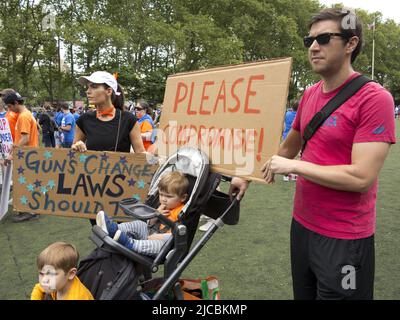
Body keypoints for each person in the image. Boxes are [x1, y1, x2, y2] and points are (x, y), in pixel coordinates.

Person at [254, 8, 397, 300]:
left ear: (350, 44)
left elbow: (361, 177)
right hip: (302, 226)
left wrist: (297, 166)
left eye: (324, 38)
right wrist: (247, 176)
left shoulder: (374, 98)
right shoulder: (309, 94)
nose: (314, 47)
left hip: (344, 238)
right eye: (310, 40)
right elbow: (287, 148)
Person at [73, 71, 146, 225]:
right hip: (93, 190)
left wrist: (154, 159)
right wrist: (77, 146)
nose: (88, 90)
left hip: (122, 189)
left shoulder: (128, 120)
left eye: (93, 86)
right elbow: (73, 152)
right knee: (100, 232)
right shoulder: (84, 120)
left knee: (122, 235)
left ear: (108, 91)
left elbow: (140, 154)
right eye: (87, 87)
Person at [96, 171, 189, 257]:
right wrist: (156, 214)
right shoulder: (162, 206)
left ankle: (130, 243)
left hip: (165, 244)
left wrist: (159, 237)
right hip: (150, 233)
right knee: (139, 224)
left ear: (183, 198)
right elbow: (150, 224)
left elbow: (179, 235)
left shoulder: (182, 212)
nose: (164, 199)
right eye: (161, 195)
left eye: (169, 196)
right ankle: (114, 229)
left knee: (156, 245)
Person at [3, 91, 40, 222]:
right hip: (29, 154)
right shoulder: (26, 114)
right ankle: (31, 209)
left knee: (26, 183)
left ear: (16, 103)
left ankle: (31, 211)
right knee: (27, 183)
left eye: (9, 106)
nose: (9, 109)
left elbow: (25, 138)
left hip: (27, 155)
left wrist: (11, 154)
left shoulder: (23, 116)